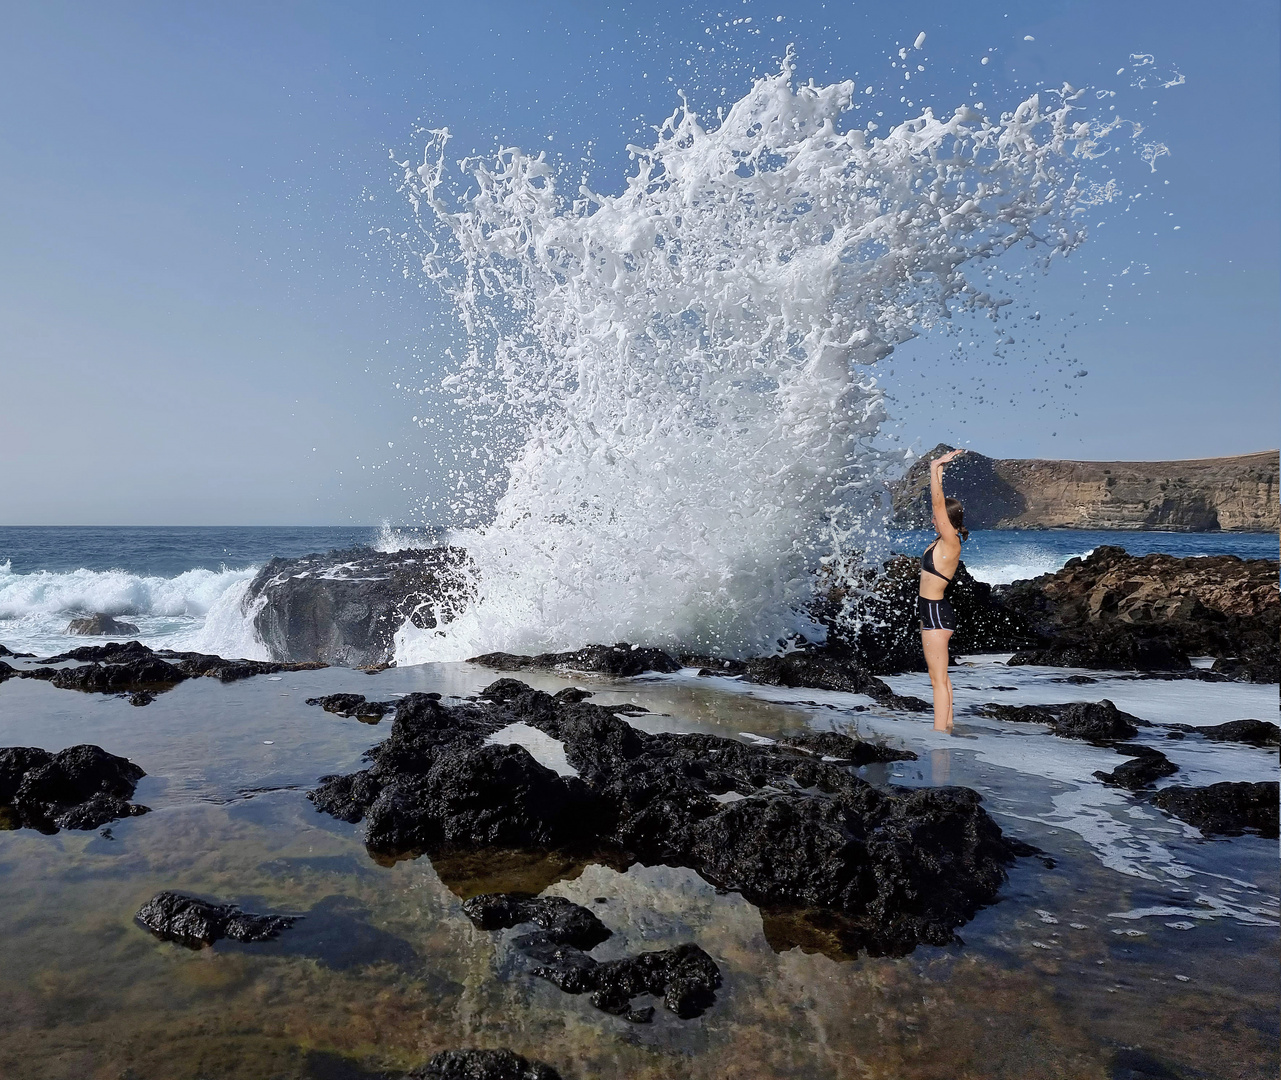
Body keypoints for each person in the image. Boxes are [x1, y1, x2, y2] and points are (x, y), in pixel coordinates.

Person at [918, 448, 968, 732]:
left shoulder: (951, 543)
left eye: (939, 517)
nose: (934, 519)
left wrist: (934, 469)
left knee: (937, 678)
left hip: (937, 614)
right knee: (942, 677)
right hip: (933, 614)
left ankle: (939, 739)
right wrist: (937, 471)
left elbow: (938, 505)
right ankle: (948, 727)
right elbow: (938, 508)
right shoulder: (941, 542)